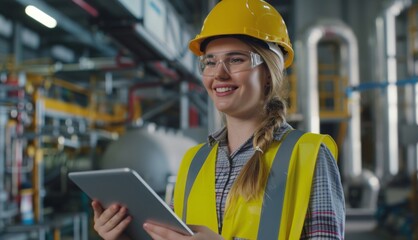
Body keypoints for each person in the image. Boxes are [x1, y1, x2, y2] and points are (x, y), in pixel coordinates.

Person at [91, 0, 345, 239]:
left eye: (235, 60)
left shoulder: (310, 155)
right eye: (210, 62)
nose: (219, 74)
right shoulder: (194, 162)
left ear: (269, 72)